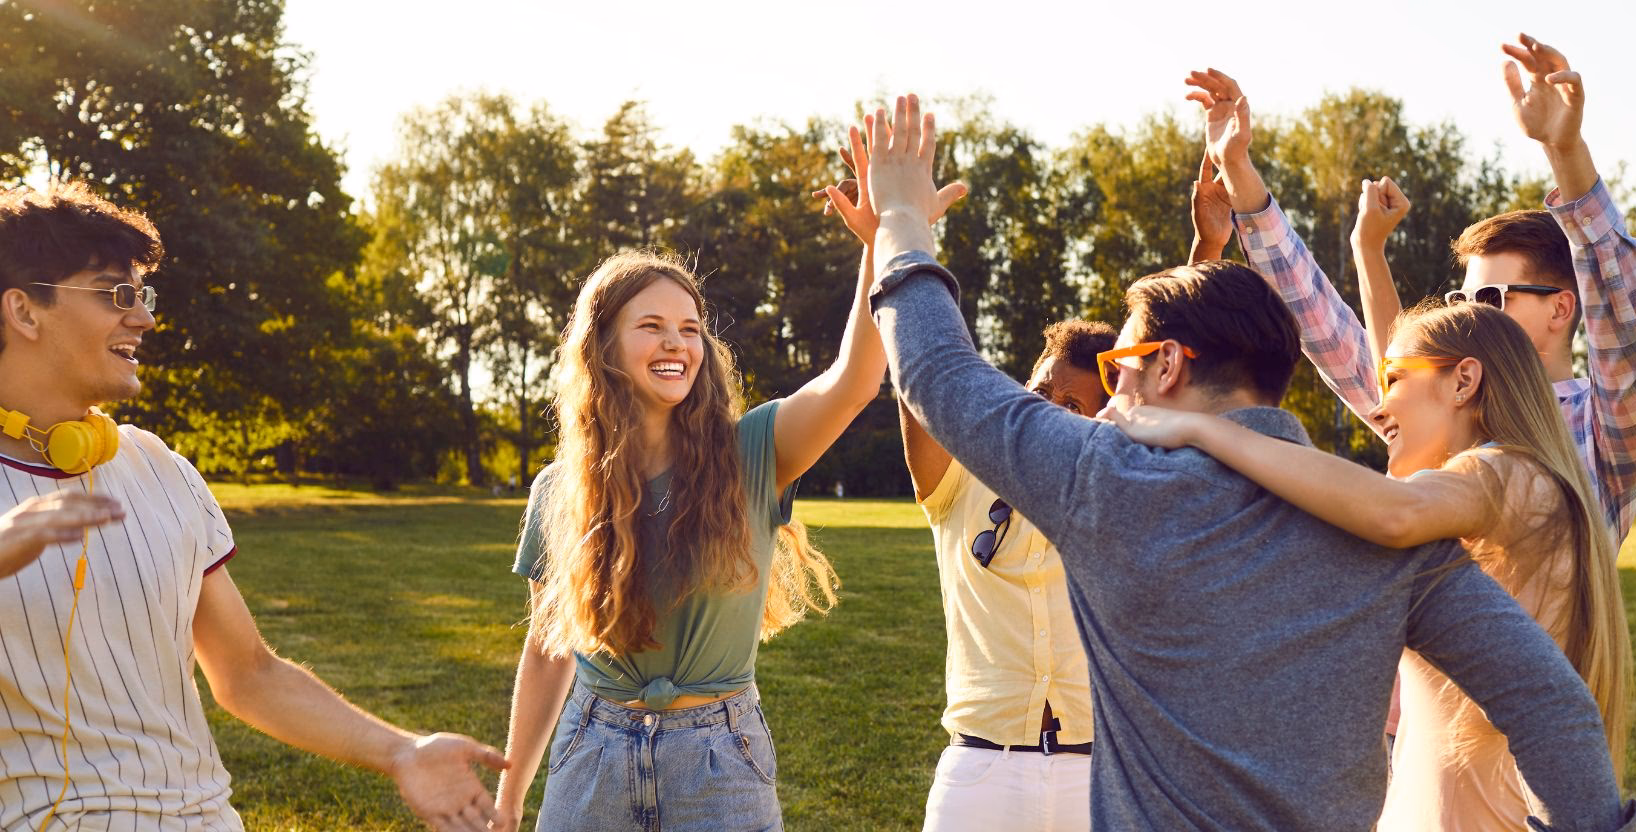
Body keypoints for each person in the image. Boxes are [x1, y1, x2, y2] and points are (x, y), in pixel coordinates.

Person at [859, 93, 1636, 830]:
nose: (1111, 391)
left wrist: (900, 221)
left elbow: (939, 376)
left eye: (1121, 364)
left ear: (1166, 366)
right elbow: (1551, 704)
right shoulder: (1391, 535)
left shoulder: (1106, 480)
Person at [493, 119, 961, 831]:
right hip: (590, 754)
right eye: (651, 326)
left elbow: (854, 380)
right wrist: (509, 797)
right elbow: (549, 647)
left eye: (690, 327)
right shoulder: (560, 490)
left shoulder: (755, 450)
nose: (677, 342)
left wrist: (881, 244)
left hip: (718, 755)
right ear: (604, 346)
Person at [0, 183, 506, 831]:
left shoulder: (158, 467)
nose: (144, 319)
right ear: (25, 310)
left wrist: (402, 750)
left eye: (143, 297)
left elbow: (247, 672)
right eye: (115, 295)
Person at [1106, 302, 1633, 830]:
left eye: (1396, 379)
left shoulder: (1506, 473)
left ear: (1463, 381)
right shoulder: (1527, 483)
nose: (1378, 410)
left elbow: (1393, 513)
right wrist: (1368, 247)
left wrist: (1200, 431)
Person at [1192, 33, 1636, 541]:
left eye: (1491, 299)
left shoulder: (1604, 430)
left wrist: (1566, 149)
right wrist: (1242, 178)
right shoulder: (1445, 400)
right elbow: (1330, 336)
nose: (1467, 315)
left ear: (1560, 310)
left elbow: (1624, 321)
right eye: (1460, 299)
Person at [814, 137, 1109, 831]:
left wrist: (1206, 246)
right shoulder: (960, 480)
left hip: (1098, 772)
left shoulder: (1117, 492)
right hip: (981, 770)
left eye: (1076, 407)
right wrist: (894, 233)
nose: (1047, 410)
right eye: (1040, 391)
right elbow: (921, 375)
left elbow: (1166, 382)